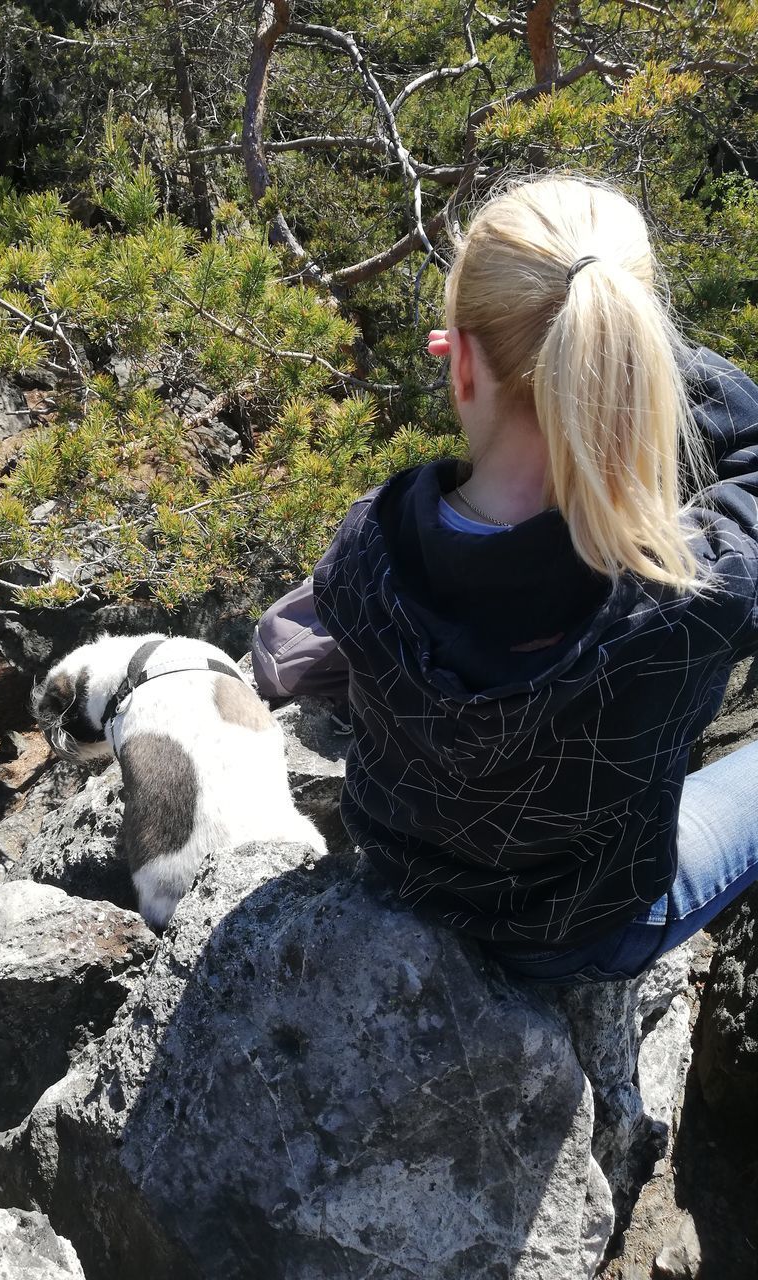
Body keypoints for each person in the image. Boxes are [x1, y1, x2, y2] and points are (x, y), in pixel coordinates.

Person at [251, 175, 758, 984]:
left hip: (403, 876)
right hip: (579, 934)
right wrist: (631, 354)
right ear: (637, 367)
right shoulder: (695, 590)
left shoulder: (363, 549)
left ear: (459, 370)